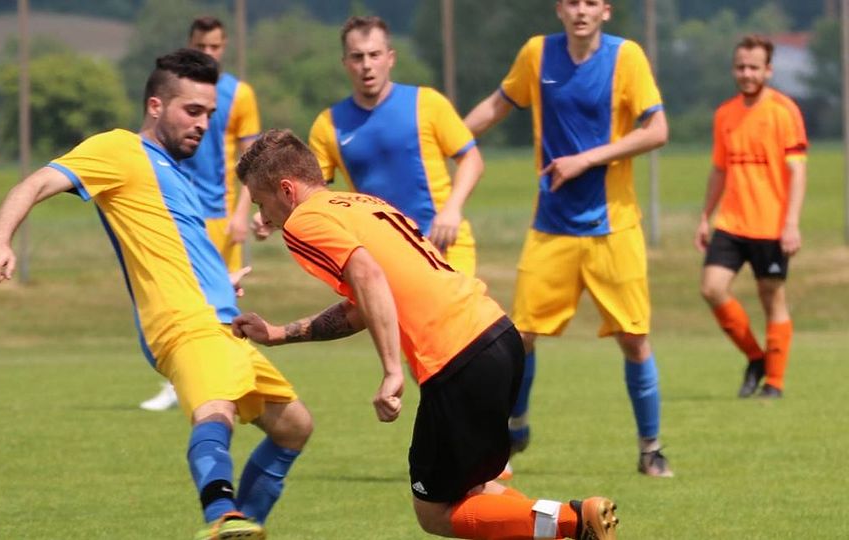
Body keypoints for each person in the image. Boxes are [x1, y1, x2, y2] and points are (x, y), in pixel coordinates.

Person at [0, 49, 312, 540]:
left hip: (222, 320)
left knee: (294, 427)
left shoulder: (174, 172)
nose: (202, 124)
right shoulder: (118, 149)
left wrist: (221, 281)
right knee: (215, 410)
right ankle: (223, 514)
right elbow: (36, 182)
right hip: (184, 322)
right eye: (191, 111)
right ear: (156, 106)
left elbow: (175, 247)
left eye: (209, 114)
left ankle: (243, 525)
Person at [233, 128, 618, 540]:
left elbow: (368, 277)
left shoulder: (304, 221)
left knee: (434, 512)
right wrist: (279, 333)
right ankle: (573, 525)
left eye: (261, 203)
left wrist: (391, 371)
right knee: (476, 491)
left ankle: (576, 520)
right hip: (497, 335)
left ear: (287, 190)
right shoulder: (360, 203)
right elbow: (363, 304)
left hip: (456, 355)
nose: (264, 217)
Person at [463, 0, 673, 477]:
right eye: (572, 2)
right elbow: (495, 106)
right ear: (560, 9)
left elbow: (657, 130)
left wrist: (587, 159)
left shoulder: (626, 57)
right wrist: (442, 141)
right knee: (519, 337)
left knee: (634, 339)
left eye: (591, 3)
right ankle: (515, 425)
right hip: (551, 227)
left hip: (614, 228)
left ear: (606, 11)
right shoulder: (537, 54)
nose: (581, 11)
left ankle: (651, 449)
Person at [140, 15, 262, 413]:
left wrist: (242, 213)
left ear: (224, 47)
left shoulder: (239, 94)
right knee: (178, 298)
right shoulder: (174, 92)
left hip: (220, 215)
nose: (208, 52)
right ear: (189, 45)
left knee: (223, 302)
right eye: (201, 46)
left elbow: (251, 158)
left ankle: (229, 378)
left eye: (215, 47)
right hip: (176, 210)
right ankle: (177, 382)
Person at [307, 15, 484, 277]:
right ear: (345, 63)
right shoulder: (328, 124)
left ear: (390, 58)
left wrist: (452, 210)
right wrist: (272, 214)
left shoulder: (427, 103)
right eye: (357, 57)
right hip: (380, 257)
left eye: (374, 55)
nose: (366, 65)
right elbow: (312, 193)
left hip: (443, 245)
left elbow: (472, 160)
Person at [695, 35, 808, 399]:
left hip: (771, 225)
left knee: (771, 297)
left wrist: (791, 223)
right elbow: (719, 169)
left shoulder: (784, 111)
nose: (746, 74)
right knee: (711, 288)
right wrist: (705, 216)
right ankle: (756, 358)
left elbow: (797, 171)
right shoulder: (724, 114)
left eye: (754, 67)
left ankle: (774, 383)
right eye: (741, 67)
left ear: (768, 70)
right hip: (731, 222)